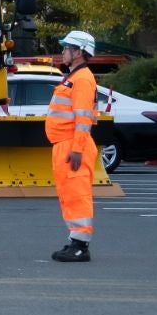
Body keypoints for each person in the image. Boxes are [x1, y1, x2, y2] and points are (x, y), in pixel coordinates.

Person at [48, 30, 100, 262]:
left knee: (77, 194)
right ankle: (76, 241)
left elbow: (83, 118)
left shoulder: (82, 79)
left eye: (66, 48)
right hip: (66, 144)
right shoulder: (75, 78)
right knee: (69, 195)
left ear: (78, 52)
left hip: (72, 145)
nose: (63, 53)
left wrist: (77, 149)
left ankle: (80, 246)